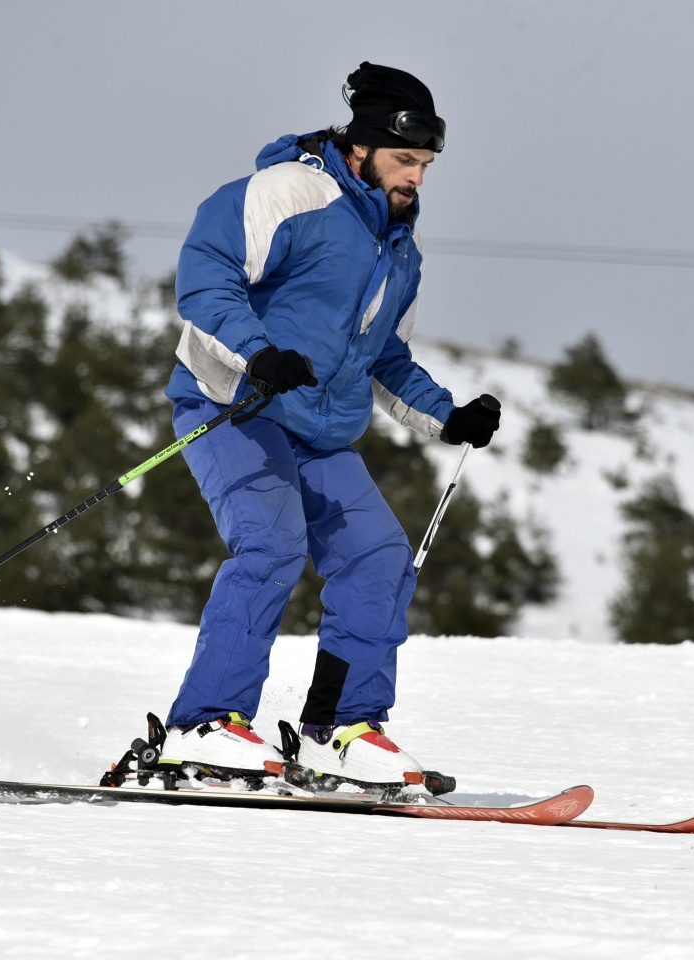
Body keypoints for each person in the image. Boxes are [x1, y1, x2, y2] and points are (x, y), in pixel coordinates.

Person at [156, 62, 501, 792]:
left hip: (318, 430)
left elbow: (388, 358)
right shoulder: (287, 192)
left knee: (378, 557)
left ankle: (339, 731)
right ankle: (203, 725)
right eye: (406, 159)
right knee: (272, 545)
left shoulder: (401, 248)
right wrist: (258, 354)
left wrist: (450, 416)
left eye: (427, 164)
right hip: (234, 406)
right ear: (360, 148)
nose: (418, 177)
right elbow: (205, 277)